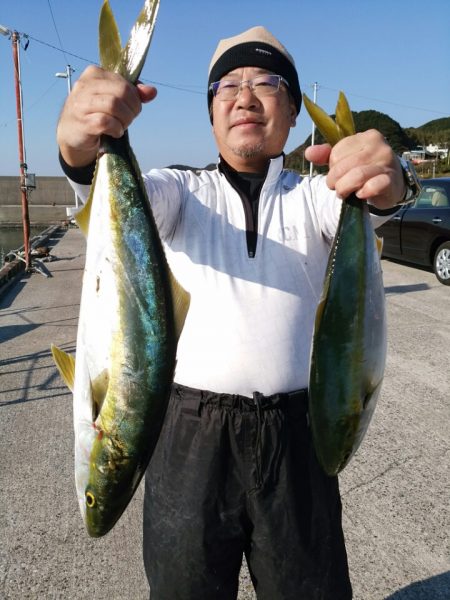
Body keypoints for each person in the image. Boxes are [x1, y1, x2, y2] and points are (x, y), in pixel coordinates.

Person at [57, 26, 417, 600]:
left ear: (295, 111)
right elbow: (113, 198)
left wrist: (391, 178)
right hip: (186, 435)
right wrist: (80, 146)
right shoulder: (178, 191)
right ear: (211, 114)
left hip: (299, 436)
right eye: (228, 86)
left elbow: (378, 199)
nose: (245, 97)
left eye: (267, 83)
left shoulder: (318, 197)